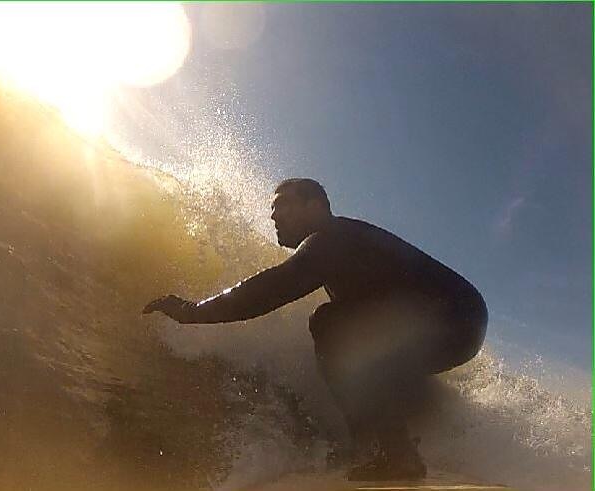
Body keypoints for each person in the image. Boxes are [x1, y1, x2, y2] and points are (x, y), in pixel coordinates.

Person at [142, 178, 487, 480]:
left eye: (282, 205)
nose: (273, 216)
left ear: (316, 205)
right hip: (460, 320)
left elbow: (273, 288)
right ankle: (390, 443)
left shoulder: (330, 237)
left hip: (451, 315)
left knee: (329, 323)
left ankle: (391, 454)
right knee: (362, 339)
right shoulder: (347, 243)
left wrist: (191, 311)